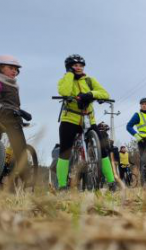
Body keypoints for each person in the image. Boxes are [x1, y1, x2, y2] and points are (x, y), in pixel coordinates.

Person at [55, 54, 117, 191]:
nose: (78, 68)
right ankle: (62, 185)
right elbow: (64, 91)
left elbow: (105, 93)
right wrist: (70, 75)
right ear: (69, 67)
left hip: (88, 119)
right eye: (75, 65)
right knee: (65, 151)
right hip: (70, 118)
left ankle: (112, 182)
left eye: (81, 65)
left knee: (102, 149)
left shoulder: (89, 80)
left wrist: (90, 95)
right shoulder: (64, 79)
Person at [0, 55, 30, 185]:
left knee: (21, 151)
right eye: (11, 68)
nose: (15, 71)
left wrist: (18, 112)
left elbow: (15, 104)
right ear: (0, 67)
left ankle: (27, 185)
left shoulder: (14, 85)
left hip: (13, 120)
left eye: (16, 69)